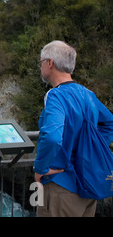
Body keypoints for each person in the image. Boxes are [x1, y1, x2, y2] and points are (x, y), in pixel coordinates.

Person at [34, 40, 113, 217]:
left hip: (62, 185)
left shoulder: (56, 95)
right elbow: (110, 123)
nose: (41, 66)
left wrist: (41, 168)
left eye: (41, 61)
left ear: (50, 63)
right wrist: (89, 150)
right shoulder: (88, 94)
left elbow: (52, 136)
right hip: (88, 182)